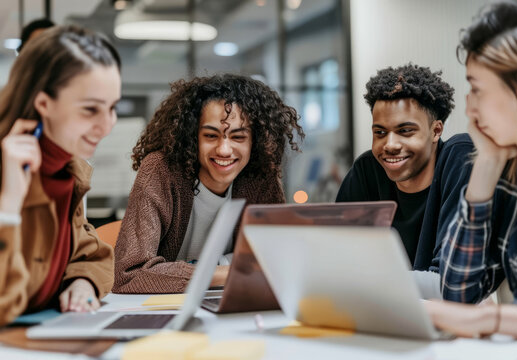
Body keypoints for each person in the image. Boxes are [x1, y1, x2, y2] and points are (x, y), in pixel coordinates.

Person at [113, 74, 304, 294]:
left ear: (256, 140)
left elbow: (276, 260)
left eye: (238, 137)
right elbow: (128, 275)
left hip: (229, 303)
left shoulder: (260, 177)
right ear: (193, 137)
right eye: (211, 136)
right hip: (163, 308)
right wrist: (226, 272)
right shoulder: (161, 170)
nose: (224, 149)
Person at [429, 1, 517, 339]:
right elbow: (457, 293)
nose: (469, 105)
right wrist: (487, 165)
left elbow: (466, 315)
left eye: (476, 88)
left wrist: (487, 321)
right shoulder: (515, 172)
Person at [0, 25, 121, 325]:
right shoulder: (13, 171)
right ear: (43, 104)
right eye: (90, 110)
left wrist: (83, 282)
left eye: (112, 108)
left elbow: (93, 256)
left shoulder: (66, 170)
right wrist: (8, 206)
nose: (106, 126)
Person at [336, 64, 474, 297]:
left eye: (405, 131)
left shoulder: (460, 158)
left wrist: (359, 280)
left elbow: (449, 283)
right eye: (379, 132)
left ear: (436, 131)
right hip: (385, 313)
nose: (390, 144)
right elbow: (333, 262)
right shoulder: (367, 170)